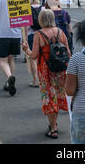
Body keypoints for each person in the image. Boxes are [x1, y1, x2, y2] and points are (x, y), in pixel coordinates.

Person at [28, 9, 70, 139]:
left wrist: (26, 50)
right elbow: (68, 53)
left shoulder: (38, 35)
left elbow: (34, 56)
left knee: (49, 98)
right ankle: (54, 123)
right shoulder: (60, 32)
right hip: (61, 70)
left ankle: (53, 128)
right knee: (57, 95)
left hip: (46, 71)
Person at [24, 0, 41, 87]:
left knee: (32, 58)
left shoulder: (28, 9)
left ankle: (35, 80)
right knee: (42, 57)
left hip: (31, 35)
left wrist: (25, 37)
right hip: (42, 35)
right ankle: (42, 79)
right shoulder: (43, 8)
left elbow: (26, 25)